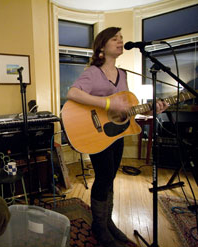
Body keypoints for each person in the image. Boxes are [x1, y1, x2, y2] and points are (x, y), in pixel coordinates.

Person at [67, 27, 169, 247]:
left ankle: (107, 223)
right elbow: (73, 93)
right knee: (103, 178)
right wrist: (107, 103)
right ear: (102, 46)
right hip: (96, 134)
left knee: (109, 178)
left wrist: (151, 110)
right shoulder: (93, 72)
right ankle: (99, 227)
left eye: (121, 38)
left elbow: (127, 108)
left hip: (116, 134)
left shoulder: (123, 75)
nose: (120, 41)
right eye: (115, 38)